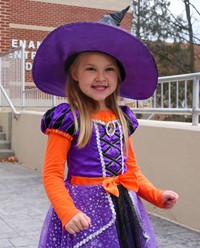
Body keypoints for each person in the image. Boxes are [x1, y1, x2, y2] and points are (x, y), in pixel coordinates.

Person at [33, 6, 179, 248]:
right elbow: (52, 175)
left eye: (109, 69)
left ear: (118, 76)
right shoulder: (67, 118)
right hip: (83, 214)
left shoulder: (123, 118)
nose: (101, 77)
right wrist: (67, 211)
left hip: (125, 211)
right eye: (91, 68)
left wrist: (156, 194)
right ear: (75, 73)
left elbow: (130, 170)